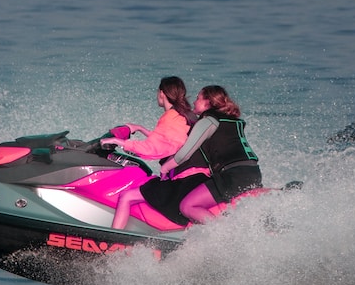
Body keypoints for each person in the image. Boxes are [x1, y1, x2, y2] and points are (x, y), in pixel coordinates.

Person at [112, 84, 261, 229]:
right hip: (252, 172)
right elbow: (174, 141)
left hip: (231, 176)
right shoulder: (232, 121)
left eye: (198, 97)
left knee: (188, 206)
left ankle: (222, 234)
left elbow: (184, 153)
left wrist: (165, 168)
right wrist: (143, 131)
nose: (194, 101)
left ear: (208, 102)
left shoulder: (208, 120)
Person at [100, 76, 195, 161]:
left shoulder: (172, 116)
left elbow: (152, 149)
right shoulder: (184, 114)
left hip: (185, 175)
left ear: (161, 93)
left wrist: (118, 141)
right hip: (190, 170)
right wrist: (140, 128)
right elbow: (166, 139)